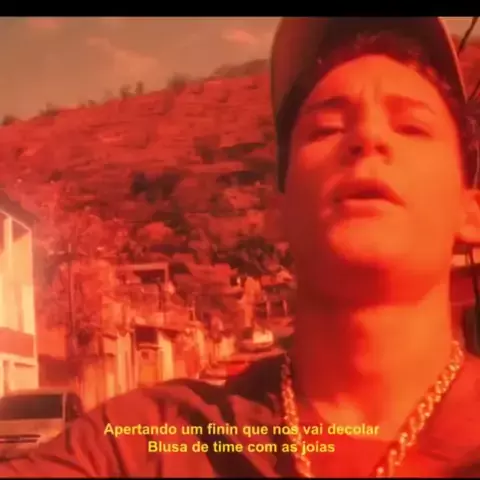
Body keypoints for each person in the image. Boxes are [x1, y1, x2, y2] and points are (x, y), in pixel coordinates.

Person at [2, 16, 480, 477]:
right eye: (326, 128)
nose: (368, 137)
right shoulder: (142, 443)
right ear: (277, 211)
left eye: (411, 126)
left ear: (471, 212)